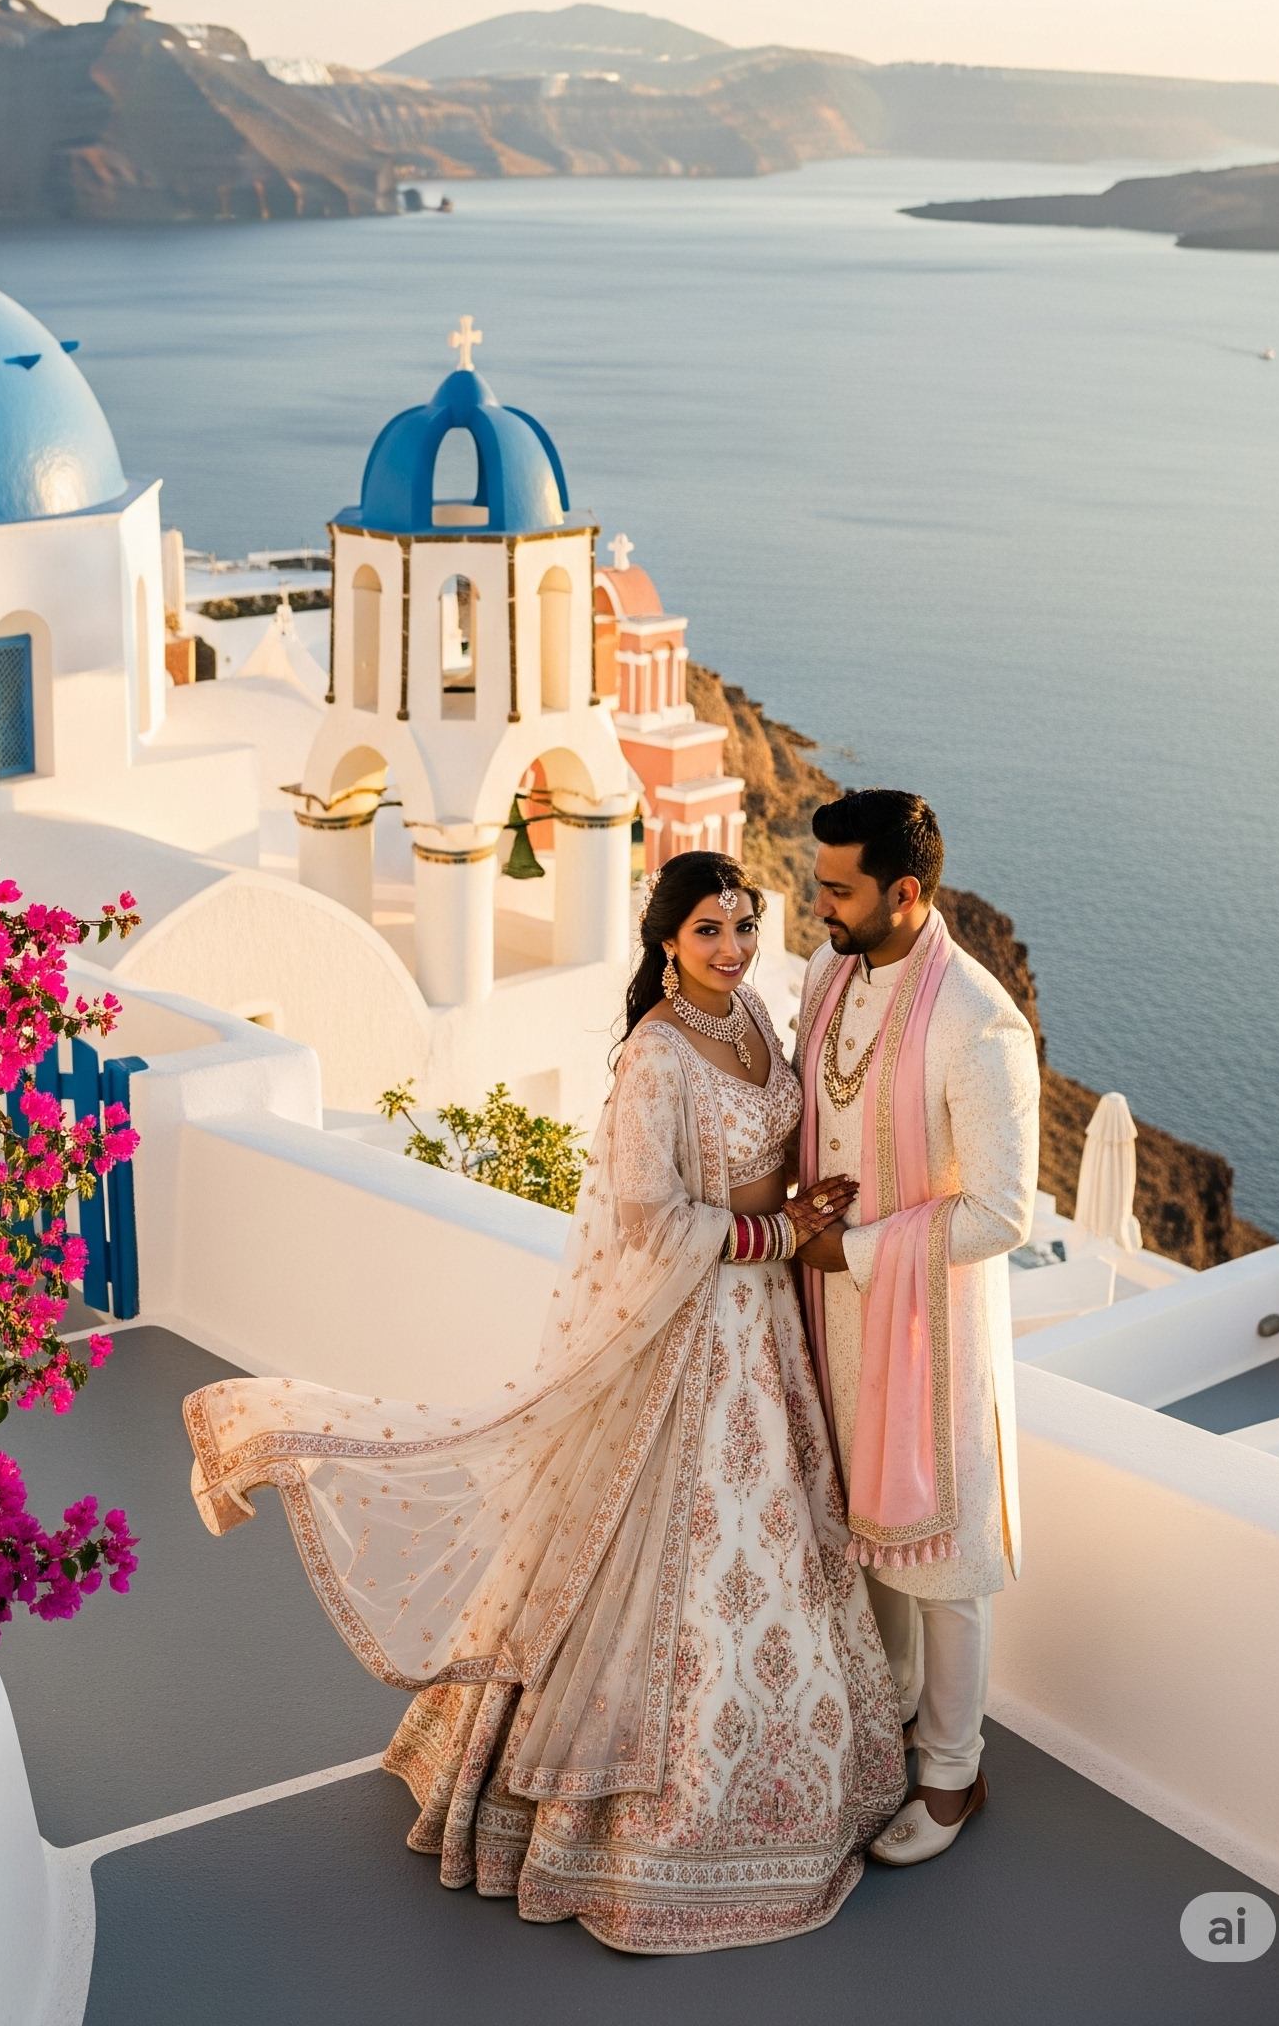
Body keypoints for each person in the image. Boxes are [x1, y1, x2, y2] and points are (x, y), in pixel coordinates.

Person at [184, 849, 906, 1953]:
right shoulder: (656, 1056)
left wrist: (808, 1205)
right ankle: (611, 1827)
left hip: (768, 1333)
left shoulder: (757, 1012)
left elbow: (778, 1142)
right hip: (692, 1332)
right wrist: (780, 1231)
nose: (732, 948)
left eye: (742, 925)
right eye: (708, 931)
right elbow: (652, 1219)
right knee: (661, 1554)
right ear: (666, 941)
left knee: (774, 1554)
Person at [790, 790, 1040, 1865]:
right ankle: (885, 1718)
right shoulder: (828, 972)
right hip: (828, 1312)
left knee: (944, 1565)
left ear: (904, 891)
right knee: (864, 1536)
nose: (819, 904)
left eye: (837, 889)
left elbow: (1003, 1212)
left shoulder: (976, 1020)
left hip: (928, 1333)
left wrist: (855, 1251)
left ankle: (951, 1771)